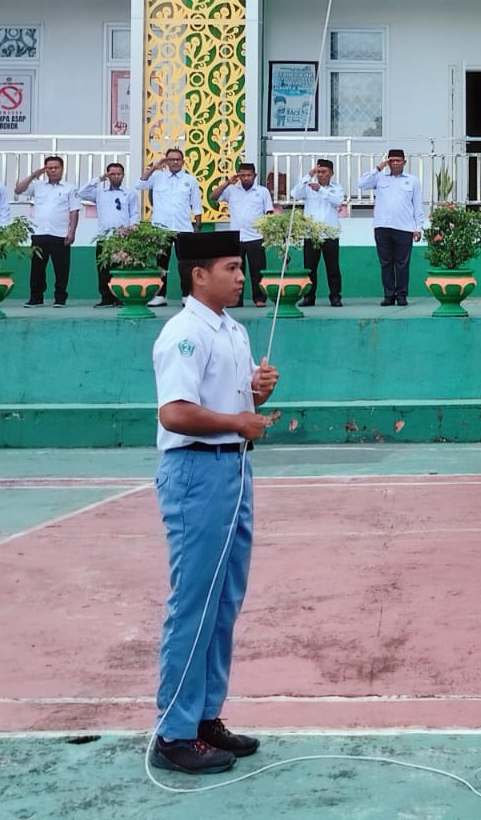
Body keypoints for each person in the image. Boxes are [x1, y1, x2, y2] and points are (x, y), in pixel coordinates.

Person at [148, 229, 280, 776]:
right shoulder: (184, 334)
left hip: (234, 468)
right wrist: (237, 421)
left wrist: (259, 390)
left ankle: (205, 717)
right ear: (198, 275)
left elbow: (239, 401)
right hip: (197, 471)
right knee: (195, 602)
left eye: (240, 267)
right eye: (230, 268)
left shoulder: (233, 331)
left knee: (224, 601)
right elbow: (175, 412)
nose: (241, 276)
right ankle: (173, 732)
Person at [137, 149, 204, 307]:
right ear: (166, 161)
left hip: (184, 228)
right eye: (171, 159)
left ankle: (187, 296)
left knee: (185, 264)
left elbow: (196, 204)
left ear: (183, 161)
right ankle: (160, 296)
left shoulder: (190, 180)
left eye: (178, 159)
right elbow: (139, 184)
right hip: (161, 228)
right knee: (161, 263)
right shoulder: (157, 177)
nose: (175, 162)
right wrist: (154, 167)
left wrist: (197, 225)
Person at [358, 149, 423, 307]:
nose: (395, 163)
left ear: (404, 162)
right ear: (387, 161)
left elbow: (417, 205)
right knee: (385, 262)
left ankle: (401, 295)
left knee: (402, 263)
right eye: (391, 160)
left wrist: (418, 227)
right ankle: (388, 295)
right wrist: (378, 168)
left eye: (398, 160)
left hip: (404, 227)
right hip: (382, 226)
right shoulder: (379, 178)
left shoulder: (412, 181)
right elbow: (361, 184)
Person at [15, 156, 82, 308]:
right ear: (45, 170)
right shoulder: (37, 185)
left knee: (61, 268)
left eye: (56, 167)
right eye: (49, 168)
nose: (53, 170)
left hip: (60, 234)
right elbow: (18, 189)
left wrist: (72, 232)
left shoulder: (70, 188)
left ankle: (60, 298)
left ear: (62, 169)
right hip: (39, 232)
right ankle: (36, 298)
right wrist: (34, 175)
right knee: (37, 268)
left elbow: (74, 211)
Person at [209, 163, 275, 307]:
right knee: (235, 272)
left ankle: (259, 299)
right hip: (236, 237)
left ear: (254, 176)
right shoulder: (231, 190)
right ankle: (236, 300)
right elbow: (212, 197)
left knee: (257, 271)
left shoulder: (262, 191)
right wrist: (228, 182)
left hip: (256, 237)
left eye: (249, 175)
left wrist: (267, 233)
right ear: (238, 175)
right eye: (242, 175)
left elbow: (269, 213)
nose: (246, 178)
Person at [79, 162, 141, 307]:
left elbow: (134, 214)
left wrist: (131, 229)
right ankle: (106, 298)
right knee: (103, 270)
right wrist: (99, 178)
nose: (116, 176)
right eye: (112, 174)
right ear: (108, 175)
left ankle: (120, 298)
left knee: (121, 269)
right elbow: (81, 192)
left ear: (123, 175)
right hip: (104, 237)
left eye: (119, 174)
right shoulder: (99, 193)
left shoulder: (129, 194)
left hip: (122, 238)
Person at [292, 159, 345, 307]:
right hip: (311, 234)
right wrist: (308, 175)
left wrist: (320, 190)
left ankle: (335, 296)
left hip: (330, 234)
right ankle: (309, 297)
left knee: (333, 268)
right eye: (318, 172)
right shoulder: (308, 187)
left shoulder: (336, 188)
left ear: (331, 173)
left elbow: (338, 201)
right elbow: (294, 194)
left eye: (324, 172)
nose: (320, 175)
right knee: (310, 268)